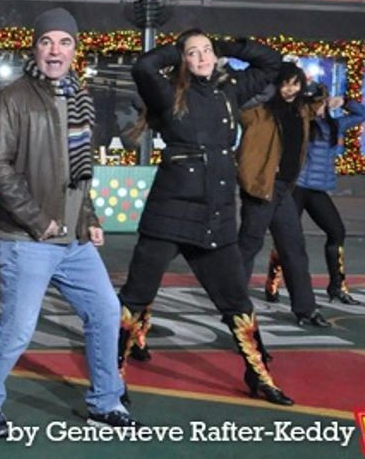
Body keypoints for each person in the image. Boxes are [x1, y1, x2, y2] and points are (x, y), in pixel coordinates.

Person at [0, 8, 136, 431]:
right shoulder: (15, 98)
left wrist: (90, 217)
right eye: (47, 42)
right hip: (28, 238)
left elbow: (78, 174)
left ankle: (104, 402)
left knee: (104, 311)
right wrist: (37, 220)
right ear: (35, 48)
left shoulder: (81, 98)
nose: (55, 50)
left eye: (64, 42)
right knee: (20, 327)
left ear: (75, 51)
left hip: (74, 241)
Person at [116, 29, 295, 406]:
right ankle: (112, 373)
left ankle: (258, 373)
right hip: (168, 214)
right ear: (183, 58)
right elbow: (144, 66)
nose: (201, 58)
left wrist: (229, 44)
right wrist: (177, 50)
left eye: (206, 52)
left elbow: (272, 62)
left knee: (236, 301)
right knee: (136, 297)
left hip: (215, 218)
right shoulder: (167, 93)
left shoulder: (230, 91)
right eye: (192, 53)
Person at [237, 63, 331, 328]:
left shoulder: (300, 110)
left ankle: (306, 309)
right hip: (260, 187)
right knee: (248, 247)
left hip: (282, 190)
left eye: (295, 84)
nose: (290, 90)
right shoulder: (259, 112)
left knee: (294, 248)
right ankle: (234, 307)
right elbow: (239, 106)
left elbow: (319, 101)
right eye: (285, 83)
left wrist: (317, 90)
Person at [265, 91, 365, 306]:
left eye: (322, 103)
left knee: (336, 231)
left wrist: (345, 101)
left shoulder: (334, 126)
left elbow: (362, 114)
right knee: (287, 237)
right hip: (296, 188)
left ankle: (337, 286)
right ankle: (273, 282)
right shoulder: (300, 124)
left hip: (317, 190)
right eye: (315, 104)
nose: (319, 108)